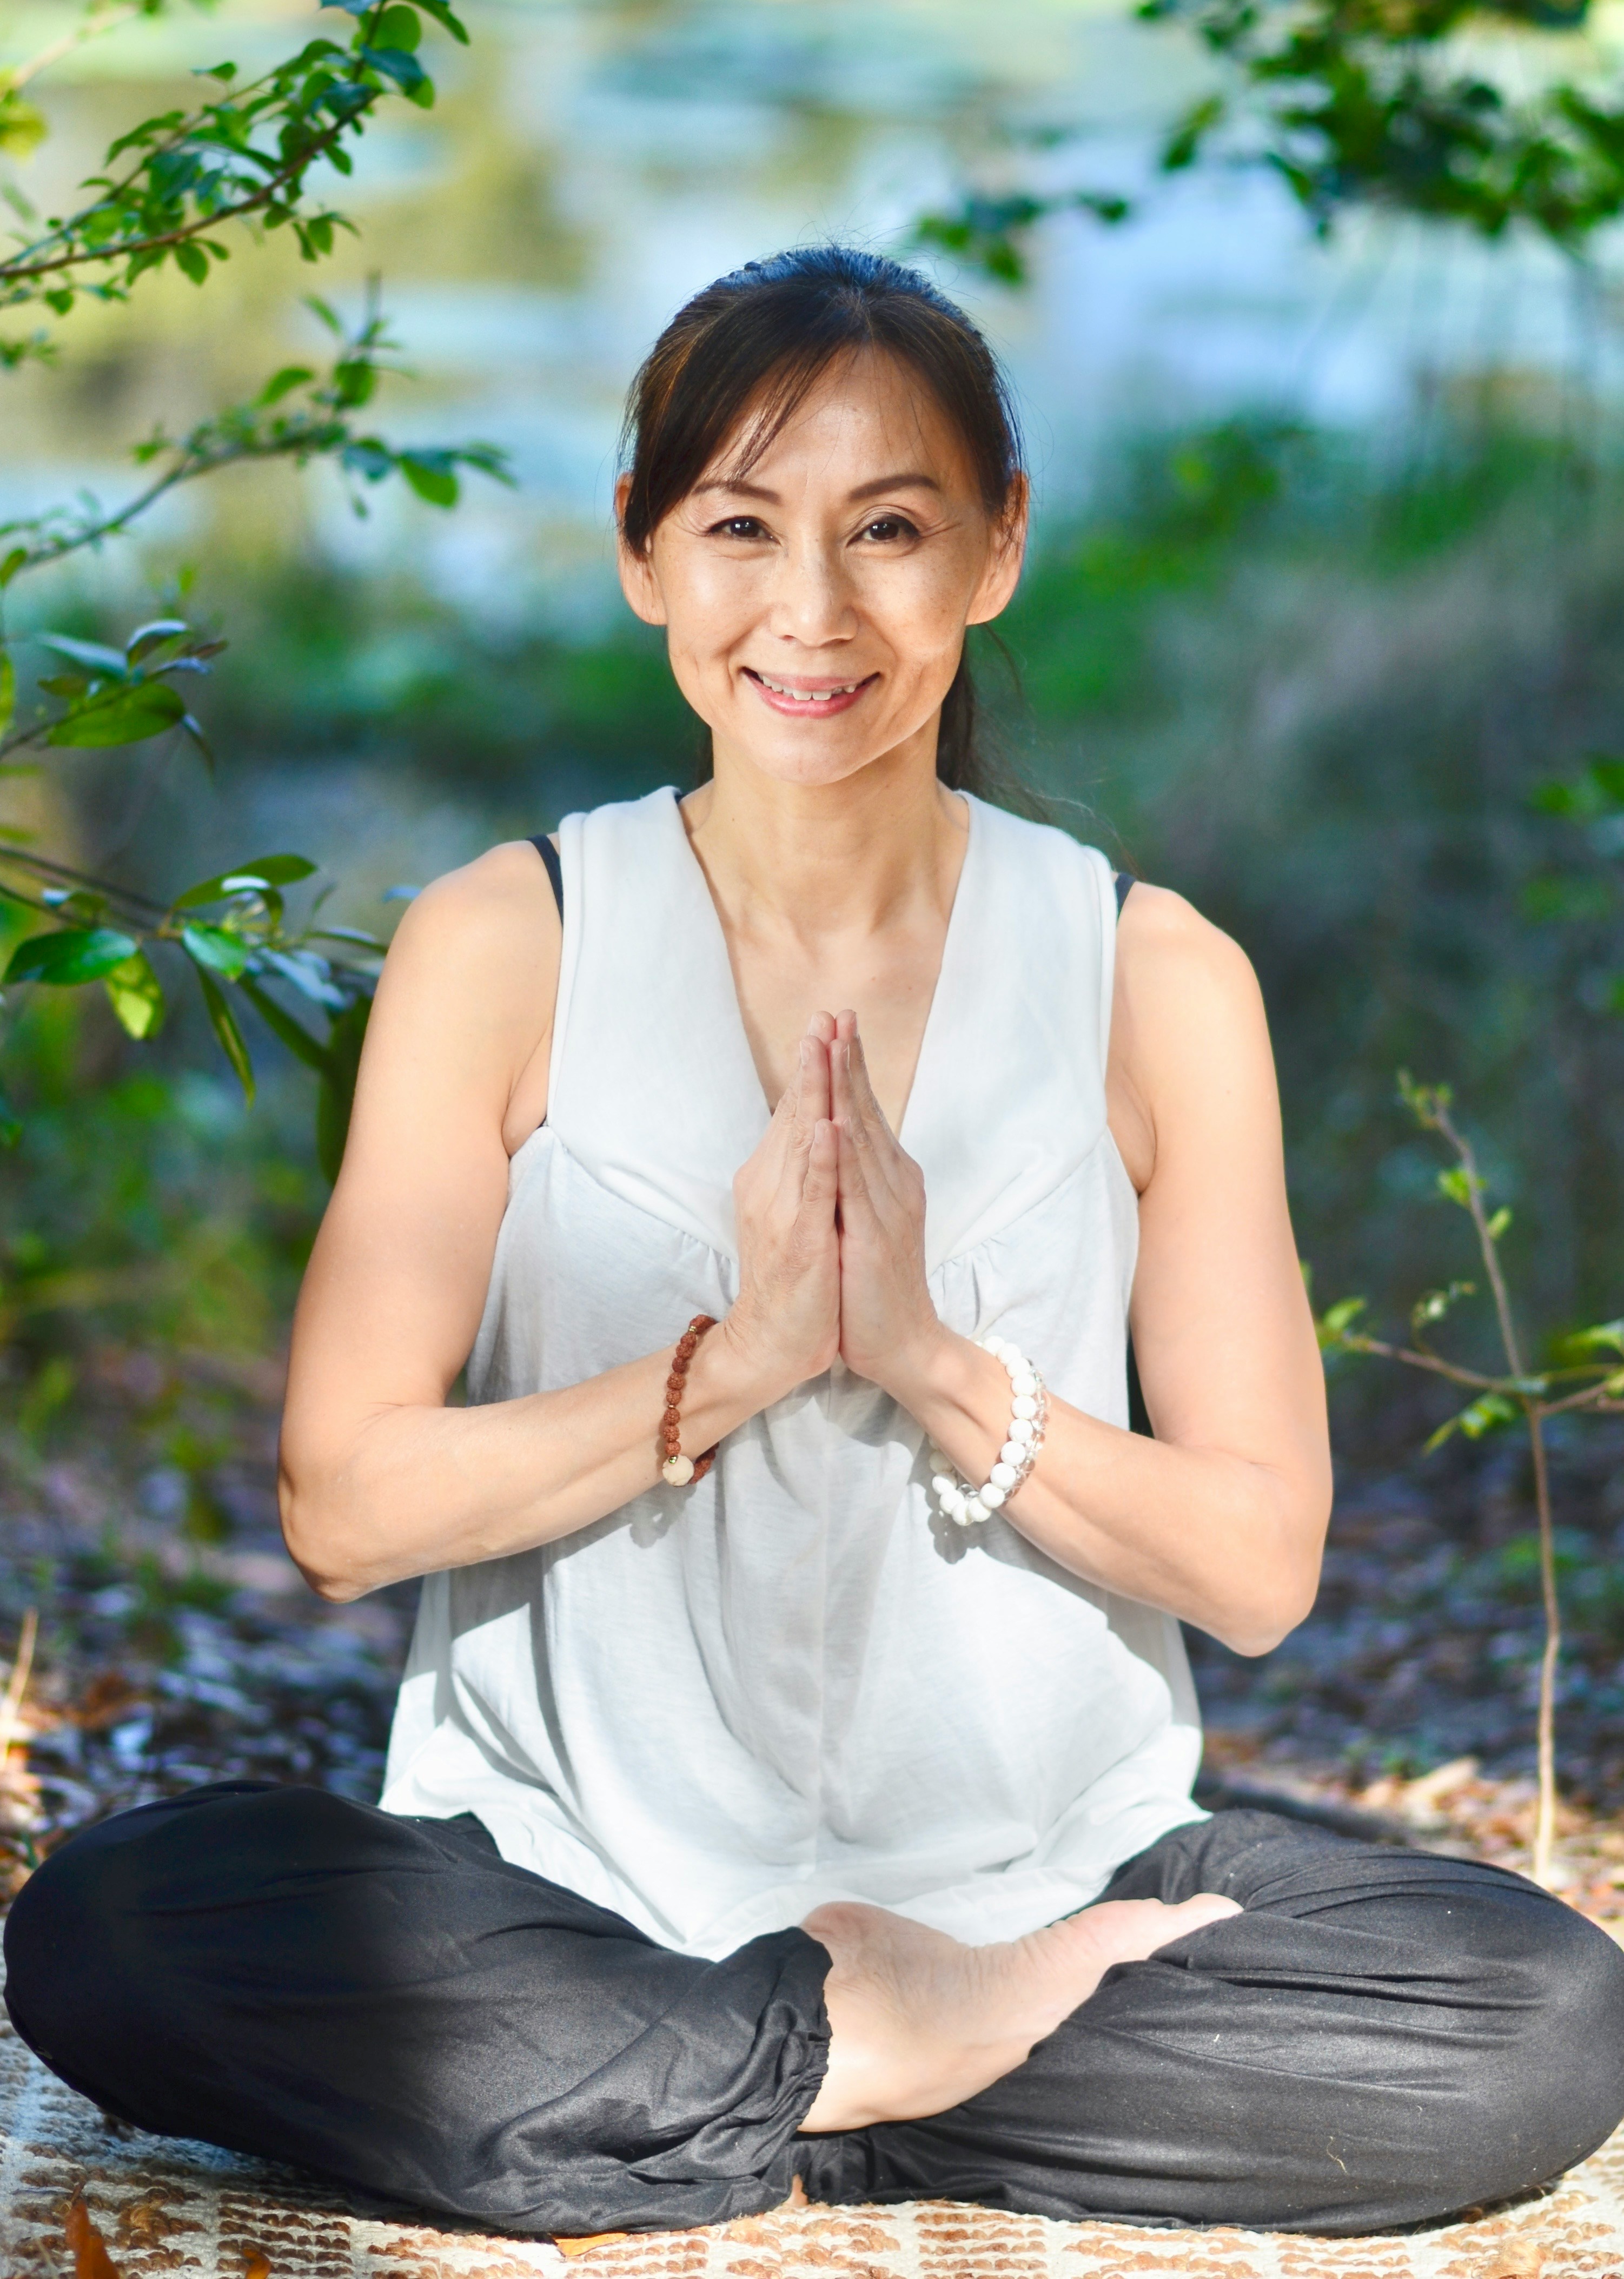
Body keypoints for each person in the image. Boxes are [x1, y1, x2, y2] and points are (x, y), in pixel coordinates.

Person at [6, 248, 1623, 2244]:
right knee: (109, 1927)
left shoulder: (1149, 977)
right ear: (641, 555)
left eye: (889, 531)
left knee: (1538, 2017)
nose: (811, 610)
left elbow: (1258, 1562)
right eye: (740, 527)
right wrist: (744, 1360)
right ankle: (864, 2058)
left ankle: (707, 2085)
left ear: (996, 553)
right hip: (559, 1882)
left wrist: (933, 1363)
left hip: (1054, 1886)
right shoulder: (505, 941)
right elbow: (343, 1504)